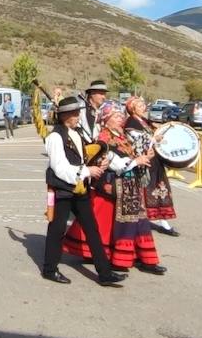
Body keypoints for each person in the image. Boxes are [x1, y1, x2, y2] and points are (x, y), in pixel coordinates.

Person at [63, 104, 166, 274]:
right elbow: (113, 162)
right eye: (116, 116)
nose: (121, 118)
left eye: (120, 116)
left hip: (132, 183)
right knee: (126, 222)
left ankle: (146, 259)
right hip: (118, 183)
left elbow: (133, 153)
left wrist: (144, 156)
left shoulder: (121, 135)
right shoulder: (104, 138)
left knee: (139, 222)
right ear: (106, 120)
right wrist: (135, 161)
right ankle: (125, 259)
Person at [41, 95, 124, 287]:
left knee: (91, 229)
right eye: (75, 113)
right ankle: (49, 269)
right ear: (66, 116)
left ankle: (104, 273)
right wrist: (87, 171)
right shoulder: (55, 137)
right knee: (57, 229)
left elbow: (85, 156)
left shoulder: (77, 133)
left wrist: (100, 162)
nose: (79, 116)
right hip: (63, 189)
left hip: (81, 188)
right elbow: (59, 167)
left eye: (78, 113)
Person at [125, 97, 179, 236]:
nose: (144, 107)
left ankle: (163, 222)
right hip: (144, 162)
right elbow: (136, 140)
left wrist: (166, 127)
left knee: (159, 189)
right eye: (140, 105)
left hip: (154, 160)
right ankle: (141, 222)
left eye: (144, 105)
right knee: (146, 191)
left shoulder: (144, 121)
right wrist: (154, 139)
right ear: (132, 108)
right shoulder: (131, 122)